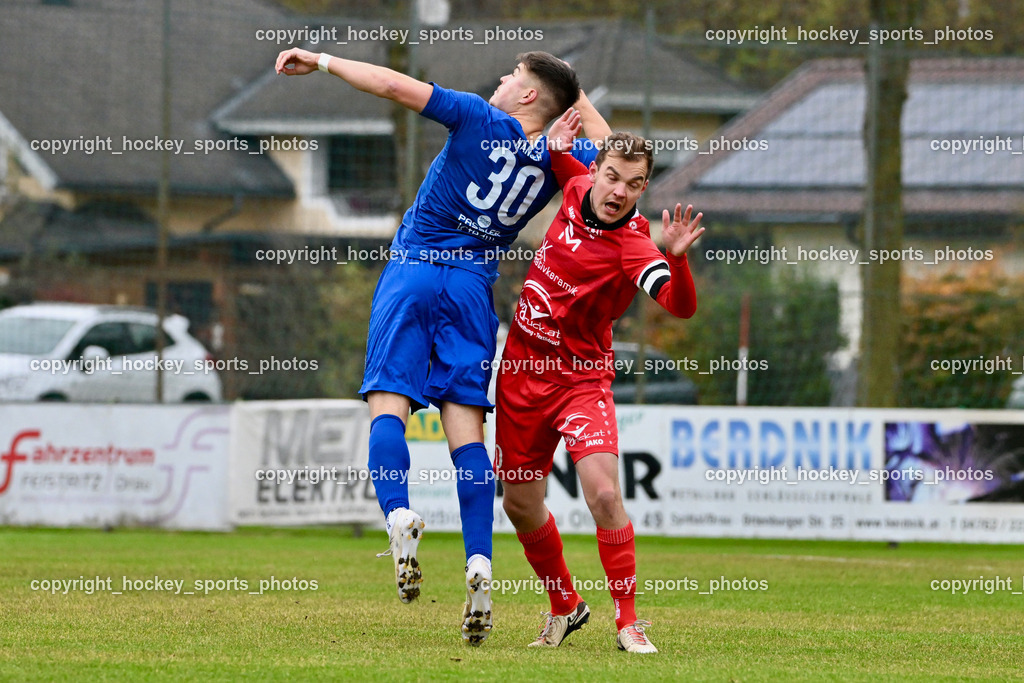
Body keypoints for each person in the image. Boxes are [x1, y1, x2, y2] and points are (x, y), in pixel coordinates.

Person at [275, 47, 610, 645]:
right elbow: (618, 158)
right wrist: (575, 94)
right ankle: (479, 562)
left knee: (387, 403)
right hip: (472, 291)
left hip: (414, 272)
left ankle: (399, 513)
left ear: (529, 96)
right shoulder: (563, 157)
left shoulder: (478, 118)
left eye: (514, 77)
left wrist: (322, 60)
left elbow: (388, 84)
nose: (502, 81)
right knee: (467, 433)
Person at [495, 130, 704, 653]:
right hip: (520, 375)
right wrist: (555, 141)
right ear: (598, 170)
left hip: (580, 381)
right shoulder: (574, 187)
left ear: (643, 189)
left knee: (606, 493)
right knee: (520, 504)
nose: (618, 191)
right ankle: (565, 605)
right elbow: (558, 155)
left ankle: (629, 622)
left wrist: (676, 257)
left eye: (633, 184)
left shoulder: (634, 246)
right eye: (612, 176)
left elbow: (680, 307)